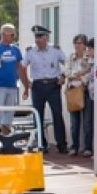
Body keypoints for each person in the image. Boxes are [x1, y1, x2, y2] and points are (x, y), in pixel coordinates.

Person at [22, 25, 68, 154]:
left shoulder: (55, 50)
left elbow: (67, 63)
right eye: (36, 37)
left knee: (57, 114)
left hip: (53, 85)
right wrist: (26, 83)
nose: (37, 39)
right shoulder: (30, 51)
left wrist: (63, 76)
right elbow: (22, 67)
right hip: (37, 86)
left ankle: (61, 144)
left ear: (46, 37)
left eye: (40, 36)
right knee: (37, 115)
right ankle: (41, 144)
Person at [0, 24, 27, 136]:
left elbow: (20, 68)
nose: (14, 36)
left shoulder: (16, 49)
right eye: (12, 34)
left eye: (14, 34)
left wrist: (26, 86)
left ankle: (6, 141)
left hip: (12, 86)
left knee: (8, 115)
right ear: (3, 34)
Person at [64, 33, 92, 156]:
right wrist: (78, 74)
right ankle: (74, 147)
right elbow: (66, 71)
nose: (76, 45)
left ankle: (88, 147)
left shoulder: (89, 58)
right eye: (75, 43)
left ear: (85, 45)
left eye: (79, 43)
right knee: (74, 122)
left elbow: (89, 74)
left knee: (87, 122)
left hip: (85, 91)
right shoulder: (71, 57)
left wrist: (79, 77)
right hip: (73, 91)